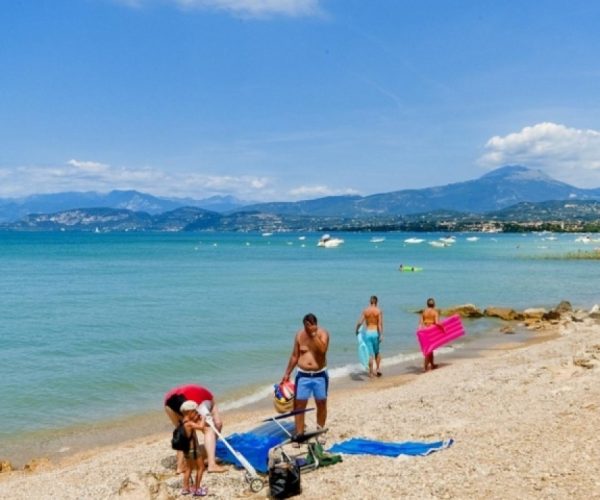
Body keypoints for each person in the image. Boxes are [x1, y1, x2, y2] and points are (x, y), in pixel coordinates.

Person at [281, 313, 330, 437]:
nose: (308, 329)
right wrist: (287, 373)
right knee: (299, 405)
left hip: (319, 375)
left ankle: (320, 431)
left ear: (315, 325)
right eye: (306, 326)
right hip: (303, 375)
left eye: (310, 326)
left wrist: (313, 335)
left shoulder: (323, 334)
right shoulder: (299, 335)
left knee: (321, 403)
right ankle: (299, 433)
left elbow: (323, 350)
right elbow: (294, 356)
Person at [164, 384, 227, 474]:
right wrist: (212, 432)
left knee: (184, 430)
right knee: (209, 429)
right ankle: (212, 464)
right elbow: (218, 423)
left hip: (168, 402)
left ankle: (180, 466)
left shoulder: (207, 397)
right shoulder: (210, 403)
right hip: (190, 399)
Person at [179, 400, 208, 496]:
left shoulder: (183, 422)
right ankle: (197, 488)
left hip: (187, 450)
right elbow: (201, 427)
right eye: (194, 412)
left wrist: (195, 418)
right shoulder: (189, 424)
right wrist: (204, 417)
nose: (196, 413)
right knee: (201, 468)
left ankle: (185, 488)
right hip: (194, 450)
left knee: (189, 469)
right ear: (189, 412)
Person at [355, 295, 384, 377]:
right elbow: (379, 324)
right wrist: (381, 334)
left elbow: (359, 322)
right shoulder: (378, 311)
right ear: (376, 302)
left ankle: (371, 373)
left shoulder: (366, 311)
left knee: (370, 354)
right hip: (375, 333)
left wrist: (356, 330)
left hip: (368, 333)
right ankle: (377, 369)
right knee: (377, 352)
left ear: (370, 302)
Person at [419, 297, 444, 372]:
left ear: (427, 304)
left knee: (429, 349)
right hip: (431, 331)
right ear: (434, 304)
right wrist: (442, 328)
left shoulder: (424, 312)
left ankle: (432, 365)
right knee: (429, 349)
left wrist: (420, 331)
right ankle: (425, 367)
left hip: (424, 331)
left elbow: (420, 323)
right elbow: (436, 323)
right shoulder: (435, 312)